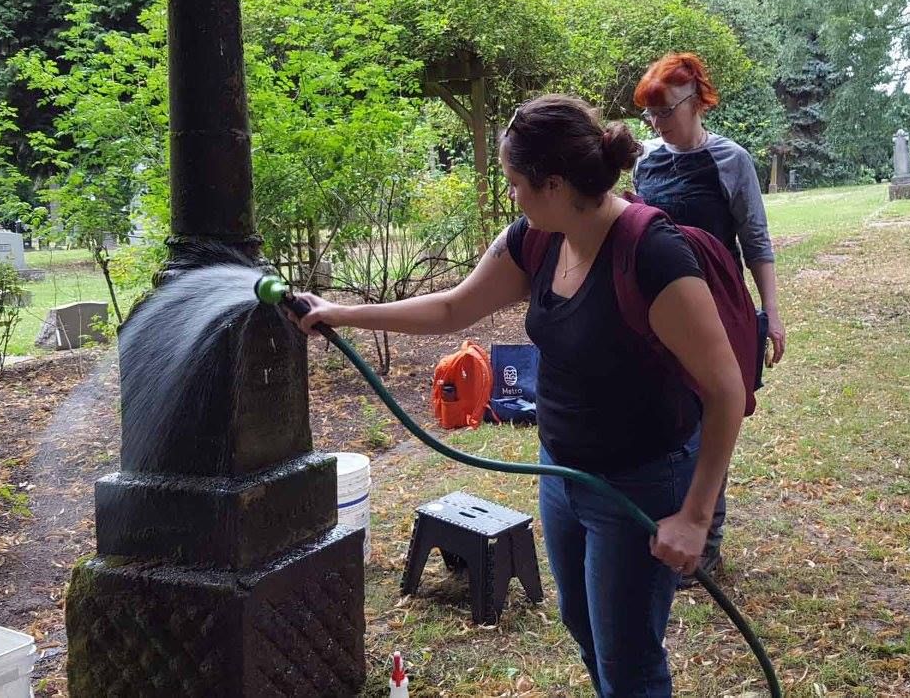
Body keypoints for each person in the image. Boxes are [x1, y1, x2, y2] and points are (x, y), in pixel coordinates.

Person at [288, 94, 746, 698]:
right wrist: (342, 313)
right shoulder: (538, 239)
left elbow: (726, 391)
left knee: (629, 661)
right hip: (561, 471)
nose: (512, 198)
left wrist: (693, 516)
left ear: (552, 184)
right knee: (583, 627)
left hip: (638, 483)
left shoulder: (650, 254)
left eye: (514, 183)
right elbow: (454, 305)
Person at [632, 52, 785, 586]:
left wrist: (772, 313)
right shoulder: (644, 161)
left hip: (719, 305)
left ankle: (706, 543)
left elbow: (756, 241)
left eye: (665, 113)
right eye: (649, 117)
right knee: (667, 413)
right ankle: (667, 521)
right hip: (658, 308)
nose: (657, 126)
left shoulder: (731, 161)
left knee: (711, 410)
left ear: (695, 101)